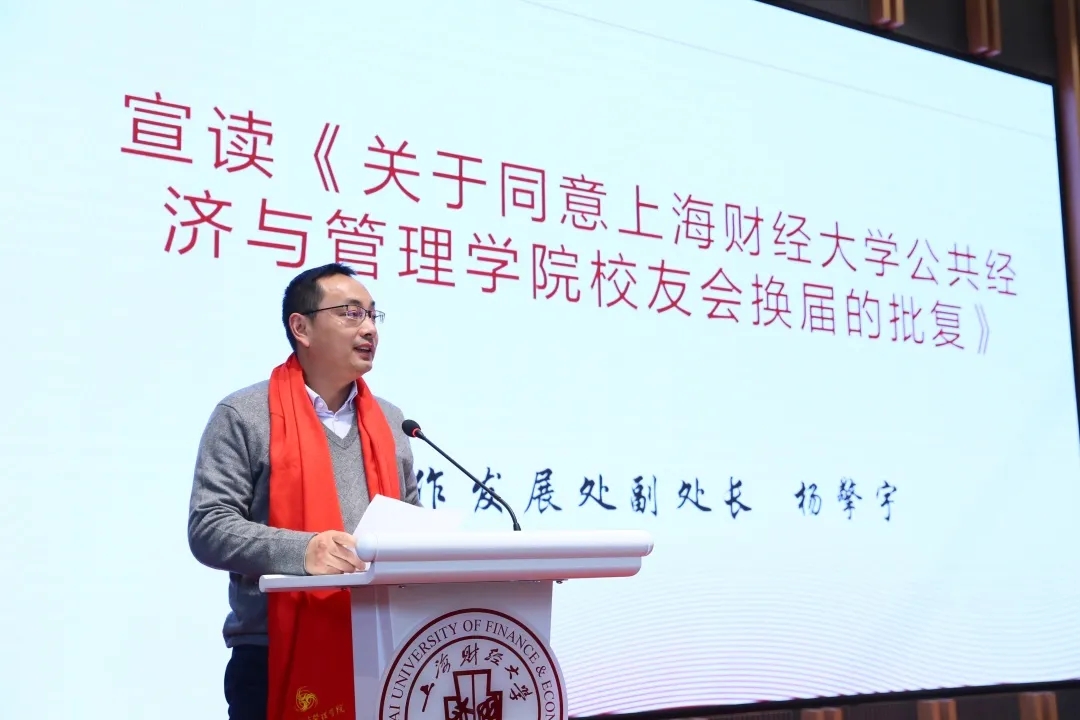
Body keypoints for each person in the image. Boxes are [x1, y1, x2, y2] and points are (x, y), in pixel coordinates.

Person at [187, 263, 422, 720]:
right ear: (302, 327)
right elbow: (208, 527)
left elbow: (409, 523)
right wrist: (304, 551)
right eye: (351, 313)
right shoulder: (244, 414)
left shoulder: (393, 422)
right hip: (273, 651)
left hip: (387, 650)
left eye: (373, 315)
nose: (369, 329)